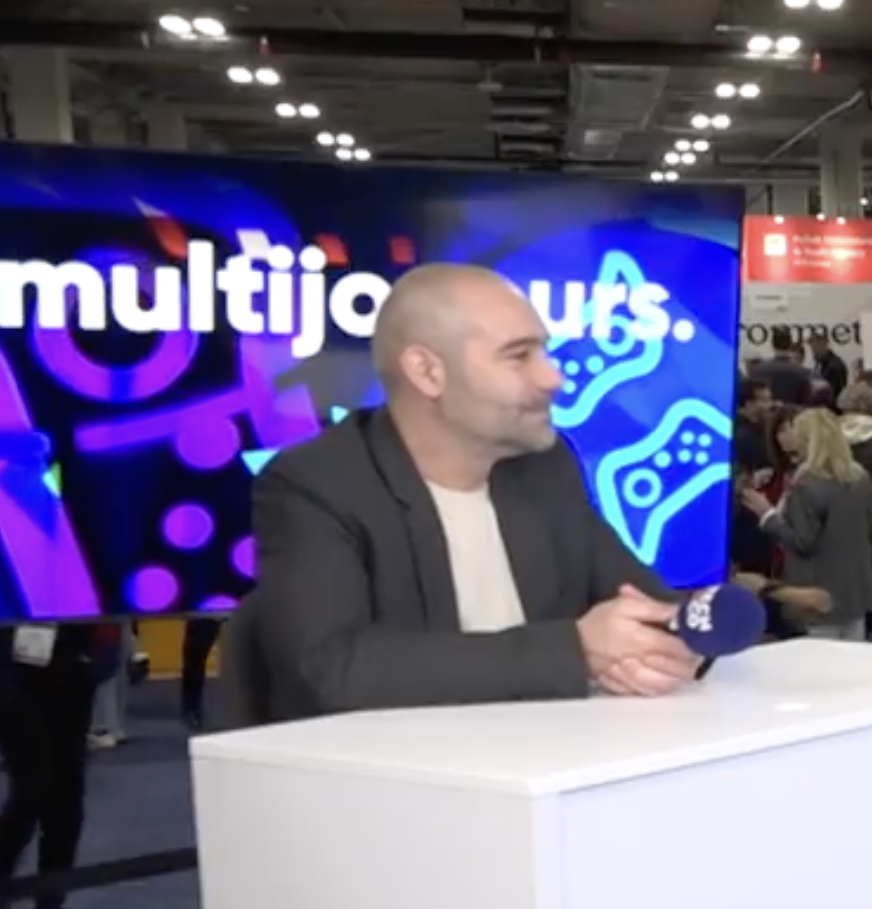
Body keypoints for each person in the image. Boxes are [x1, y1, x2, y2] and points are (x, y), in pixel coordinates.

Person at [240, 263, 692, 723]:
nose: (552, 378)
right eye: (519, 356)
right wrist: (575, 650)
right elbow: (331, 670)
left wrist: (665, 646)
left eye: (543, 351)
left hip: (546, 750)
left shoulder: (545, 467)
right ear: (427, 372)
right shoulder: (315, 484)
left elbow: (651, 606)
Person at [0, 622, 105, 909]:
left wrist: (95, 656)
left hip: (70, 661)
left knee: (68, 790)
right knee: (32, 785)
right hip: (4, 667)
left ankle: (49, 907)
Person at [740, 408, 872, 641]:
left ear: (808, 440)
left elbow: (802, 543)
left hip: (818, 595)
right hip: (856, 591)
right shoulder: (860, 477)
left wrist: (767, 515)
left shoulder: (807, 485)